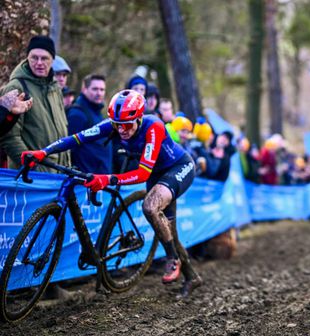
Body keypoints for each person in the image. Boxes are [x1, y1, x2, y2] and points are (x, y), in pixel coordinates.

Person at [22, 89, 203, 298]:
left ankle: (173, 259)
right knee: (169, 232)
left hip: (178, 168)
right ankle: (192, 277)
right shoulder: (115, 124)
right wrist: (44, 152)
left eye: (127, 125)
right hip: (157, 173)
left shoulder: (154, 126)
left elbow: (143, 173)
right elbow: (78, 138)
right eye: (117, 125)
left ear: (139, 118)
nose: (122, 130)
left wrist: (106, 179)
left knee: (150, 206)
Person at [0, 35, 70, 172]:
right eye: (34, 57)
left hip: (58, 175)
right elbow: (9, 137)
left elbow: (62, 132)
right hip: (32, 179)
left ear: (52, 60)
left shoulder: (55, 88)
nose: (39, 62)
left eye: (44, 58)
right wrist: (31, 167)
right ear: (27, 58)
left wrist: (66, 167)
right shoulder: (17, 88)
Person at [67, 74, 112, 173]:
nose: (99, 93)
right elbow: (70, 147)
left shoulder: (97, 112)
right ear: (84, 89)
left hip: (100, 178)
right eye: (95, 89)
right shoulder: (77, 114)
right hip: (86, 180)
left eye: (102, 89)